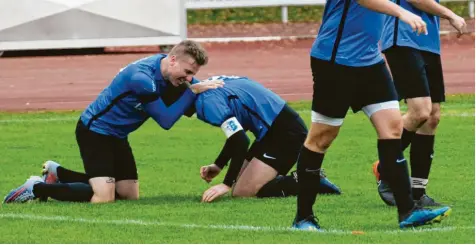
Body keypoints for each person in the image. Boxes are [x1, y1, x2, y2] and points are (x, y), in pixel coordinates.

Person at [290, 0, 452, 231]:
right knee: (322, 137)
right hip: (335, 61)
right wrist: (401, 12)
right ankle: (303, 218)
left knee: (393, 128)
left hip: (370, 62)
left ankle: (407, 210)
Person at [3, 40, 223, 204]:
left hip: (117, 135)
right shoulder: (142, 79)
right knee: (103, 197)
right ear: (173, 60)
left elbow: (186, 99)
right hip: (95, 131)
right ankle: (37, 187)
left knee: (128, 195)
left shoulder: (168, 71)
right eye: (187, 73)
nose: (189, 79)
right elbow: (165, 120)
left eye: (192, 75)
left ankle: (57, 173)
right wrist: (192, 92)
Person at [372, 0, 467, 207]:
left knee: (432, 117)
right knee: (420, 111)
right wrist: (450, 14)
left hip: (428, 42)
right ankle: (387, 170)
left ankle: (418, 191)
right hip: (404, 39)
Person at [190, 75, 341, 203]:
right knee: (239, 185)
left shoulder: (208, 102)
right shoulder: (211, 85)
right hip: (270, 132)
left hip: (286, 134)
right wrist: (218, 165)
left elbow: (241, 140)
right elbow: (236, 134)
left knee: (242, 192)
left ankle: (310, 180)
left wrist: (225, 184)